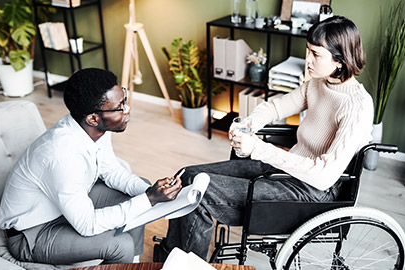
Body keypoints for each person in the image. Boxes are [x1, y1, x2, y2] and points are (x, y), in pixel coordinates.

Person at [154, 16, 374, 261]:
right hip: (284, 169)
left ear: (340, 58)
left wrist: (258, 148)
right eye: (308, 50)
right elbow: (275, 107)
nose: (308, 60)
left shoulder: (357, 106)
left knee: (200, 189)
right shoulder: (318, 84)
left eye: (315, 54)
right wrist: (250, 125)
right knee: (187, 175)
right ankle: (169, 258)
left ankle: (180, 264)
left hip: (309, 192)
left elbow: (323, 176)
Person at [0, 68, 182, 265]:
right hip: (32, 233)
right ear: (93, 118)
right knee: (121, 245)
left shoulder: (94, 128)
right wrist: (150, 199)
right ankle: (127, 259)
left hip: (63, 207)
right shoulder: (62, 154)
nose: (127, 109)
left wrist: (151, 192)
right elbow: (87, 225)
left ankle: (131, 263)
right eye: (120, 107)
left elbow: (112, 171)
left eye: (124, 99)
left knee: (140, 189)